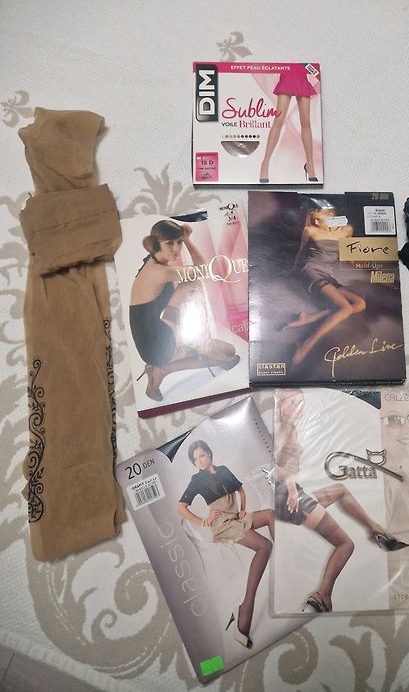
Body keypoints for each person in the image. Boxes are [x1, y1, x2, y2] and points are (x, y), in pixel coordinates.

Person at [274, 389, 407, 613]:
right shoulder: (283, 429)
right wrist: (290, 486)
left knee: (340, 490)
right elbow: (274, 468)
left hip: (291, 494)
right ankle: (322, 595)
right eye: (294, 403)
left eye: (300, 403)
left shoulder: (292, 428)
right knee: (346, 544)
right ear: (282, 404)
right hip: (289, 497)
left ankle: (376, 530)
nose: (299, 408)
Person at [177, 440, 274, 647]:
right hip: (222, 524)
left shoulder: (223, 470)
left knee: (270, 515)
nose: (200, 461)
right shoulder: (197, 480)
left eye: (202, 455)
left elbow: (241, 491)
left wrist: (243, 509)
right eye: (196, 459)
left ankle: (286, 563)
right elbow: (181, 507)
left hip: (236, 517)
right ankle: (246, 608)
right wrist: (204, 522)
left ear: (209, 454)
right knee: (264, 546)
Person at [129, 219, 239, 401]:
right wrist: (188, 240)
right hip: (155, 344)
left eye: (179, 242)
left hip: (155, 336)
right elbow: (203, 270)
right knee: (228, 353)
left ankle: (162, 369)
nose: (176, 249)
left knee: (228, 352)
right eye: (169, 243)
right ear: (155, 244)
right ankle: (163, 366)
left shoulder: (155, 263)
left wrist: (185, 239)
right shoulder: (161, 272)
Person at [282, 203, 366, 366]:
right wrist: (293, 270)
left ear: (331, 215)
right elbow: (301, 251)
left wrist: (362, 263)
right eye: (314, 218)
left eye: (319, 217)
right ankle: (305, 345)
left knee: (360, 303)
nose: (316, 222)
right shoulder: (310, 231)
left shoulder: (346, 230)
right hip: (310, 270)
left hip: (327, 273)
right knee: (346, 308)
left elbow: (348, 254)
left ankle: (309, 318)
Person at [259, 65, 319, 183]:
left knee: (306, 123)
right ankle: (265, 163)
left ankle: (310, 164)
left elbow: (314, 69)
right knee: (278, 121)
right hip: (287, 74)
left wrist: (312, 69)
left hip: (301, 76)